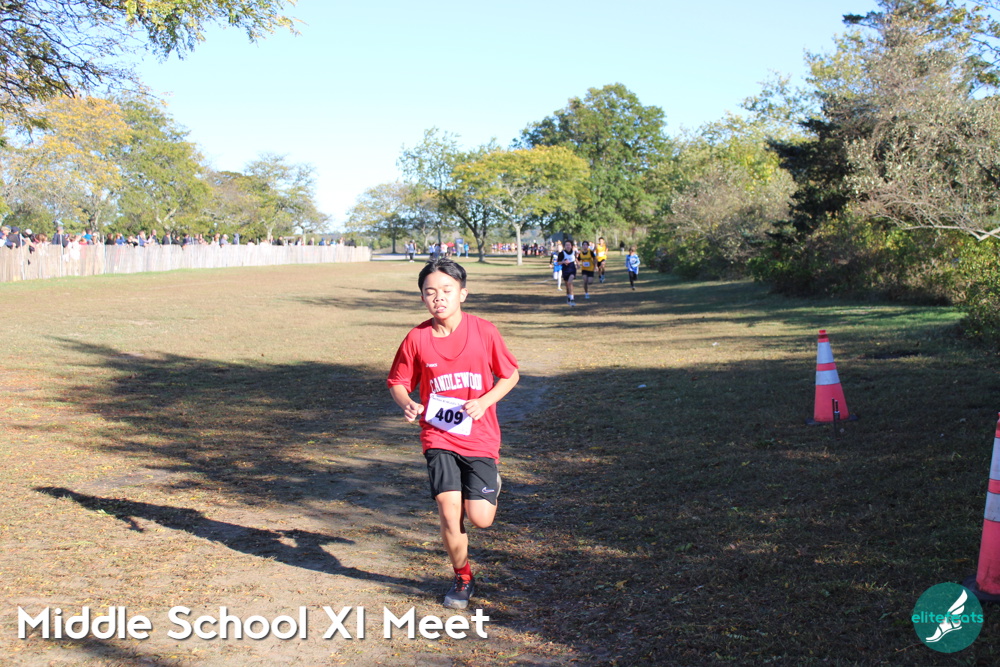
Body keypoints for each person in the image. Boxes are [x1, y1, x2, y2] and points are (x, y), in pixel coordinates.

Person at [387, 258, 520, 610]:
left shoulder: (484, 331)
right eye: (430, 292)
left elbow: (510, 375)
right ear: (422, 297)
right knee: (449, 510)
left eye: (447, 290)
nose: (439, 298)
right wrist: (407, 402)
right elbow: (398, 381)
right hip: (439, 435)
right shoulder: (417, 338)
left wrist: (485, 401)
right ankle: (462, 577)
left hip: (479, 436)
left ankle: (490, 483)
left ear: (463, 293)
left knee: (481, 519)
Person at [557, 239, 578, 306]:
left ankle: (572, 299)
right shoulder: (562, 253)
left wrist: (578, 264)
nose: (568, 246)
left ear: (571, 246)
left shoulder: (574, 252)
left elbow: (576, 259)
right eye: (566, 245)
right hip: (565, 270)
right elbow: (558, 262)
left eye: (569, 245)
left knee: (569, 282)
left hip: (572, 269)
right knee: (567, 285)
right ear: (564, 246)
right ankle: (569, 297)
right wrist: (563, 262)